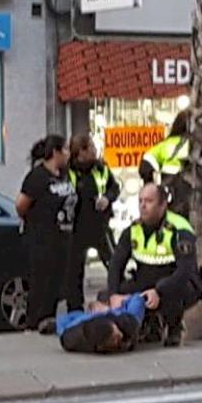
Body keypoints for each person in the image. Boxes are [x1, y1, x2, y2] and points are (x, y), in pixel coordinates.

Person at [106, 183, 202, 347]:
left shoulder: (179, 229)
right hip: (146, 279)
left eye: (149, 201)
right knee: (117, 293)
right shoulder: (133, 230)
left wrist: (158, 291)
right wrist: (114, 294)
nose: (143, 206)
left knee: (175, 291)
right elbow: (116, 264)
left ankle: (174, 327)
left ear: (162, 205)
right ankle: (149, 327)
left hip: (176, 282)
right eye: (140, 201)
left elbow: (185, 271)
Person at [17, 135, 76, 334]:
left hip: (63, 237)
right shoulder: (37, 176)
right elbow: (21, 205)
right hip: (41, 238)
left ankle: (49, 319)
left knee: (57, 281)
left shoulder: (64, 175)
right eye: (65, 150)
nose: (68, 154)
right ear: (55, 153)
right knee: (40, 280)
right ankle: (33, 322)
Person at [65, 133, 121, 310]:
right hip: (77, 227)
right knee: (74, 271)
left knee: (114, 263)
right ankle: (75, 308)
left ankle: (120, 298)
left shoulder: (101, 168)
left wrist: (107, 198)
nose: (95, 151)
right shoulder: (69, 172)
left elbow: (114, 187)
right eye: (91, 147)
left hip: (100, 225)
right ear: (81, 152)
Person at [139, 110, 192, 215]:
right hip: (194, 199)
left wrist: (151, 187)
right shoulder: (200, 145)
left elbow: (145, 166)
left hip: (170, 197)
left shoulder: (165, 146)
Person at [56, 293, 145, 354]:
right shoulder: (77, 337)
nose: (120, 336)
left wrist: (121, 298)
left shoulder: (127, 321)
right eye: (114, 339)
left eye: (117, 334)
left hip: (113, 313)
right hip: (94, 318)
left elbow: (138, 299)